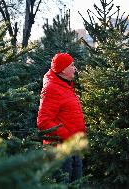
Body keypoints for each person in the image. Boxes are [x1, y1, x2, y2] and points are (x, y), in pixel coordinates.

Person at [37, 52, 86, 183]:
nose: (75, 68)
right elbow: (43, 121)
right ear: (63, 69)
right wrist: (67, 137)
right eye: (72, 65)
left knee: (76, 184)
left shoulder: (66, 86)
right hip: (61, 150)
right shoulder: (52, 88)